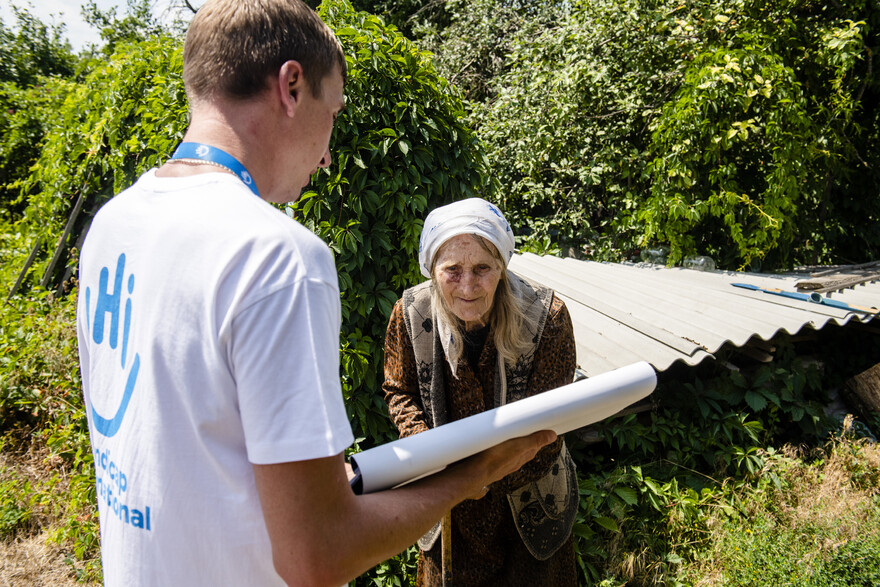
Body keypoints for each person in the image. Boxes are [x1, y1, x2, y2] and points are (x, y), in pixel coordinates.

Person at [75, 2, 555, 585]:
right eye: (333, 113)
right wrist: (472, 474)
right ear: (292, 86)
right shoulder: (277, 257)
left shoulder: (114, 224)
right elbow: (317, 556)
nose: (327, 156)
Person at [382, 198, 580, 586]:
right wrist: (436, 461)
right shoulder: (411, 314)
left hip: (529, 507)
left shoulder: (547, 317)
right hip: (447, 507)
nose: (468, 286)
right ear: (432, 270)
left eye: (482, 268)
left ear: (502, 267)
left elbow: (551, 428)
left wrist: (480, 478)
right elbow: (399, 390)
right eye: (452, 270)